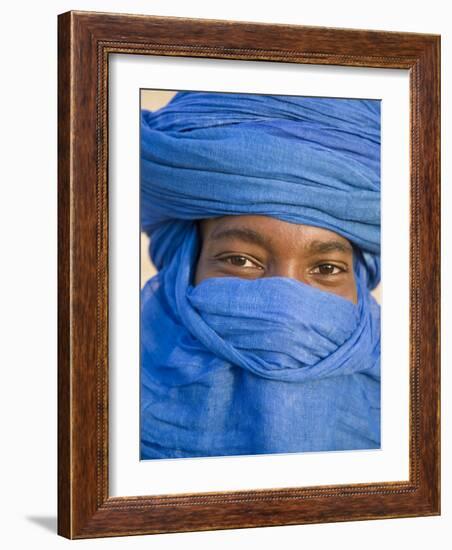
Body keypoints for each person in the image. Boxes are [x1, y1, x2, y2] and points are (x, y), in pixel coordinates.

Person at [140, 91, 381, 460]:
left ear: (361, 285)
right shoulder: (91, 410)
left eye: (326, 269)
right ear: (183, 268)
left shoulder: (424, 426)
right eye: (239, 260)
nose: (285, 311)